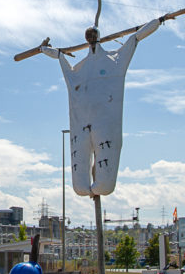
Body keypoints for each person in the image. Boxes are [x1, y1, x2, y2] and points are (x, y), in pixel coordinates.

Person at [41, 17, 162, 196]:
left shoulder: (111, 62)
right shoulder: (88, 68)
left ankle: (94, 187)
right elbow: (59, 56)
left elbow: (135, 38)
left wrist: (159, 20)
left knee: (101, 175)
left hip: (101, 123)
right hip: (85, 124)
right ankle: (90, 188)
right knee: (86, 177)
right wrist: (44, 49)